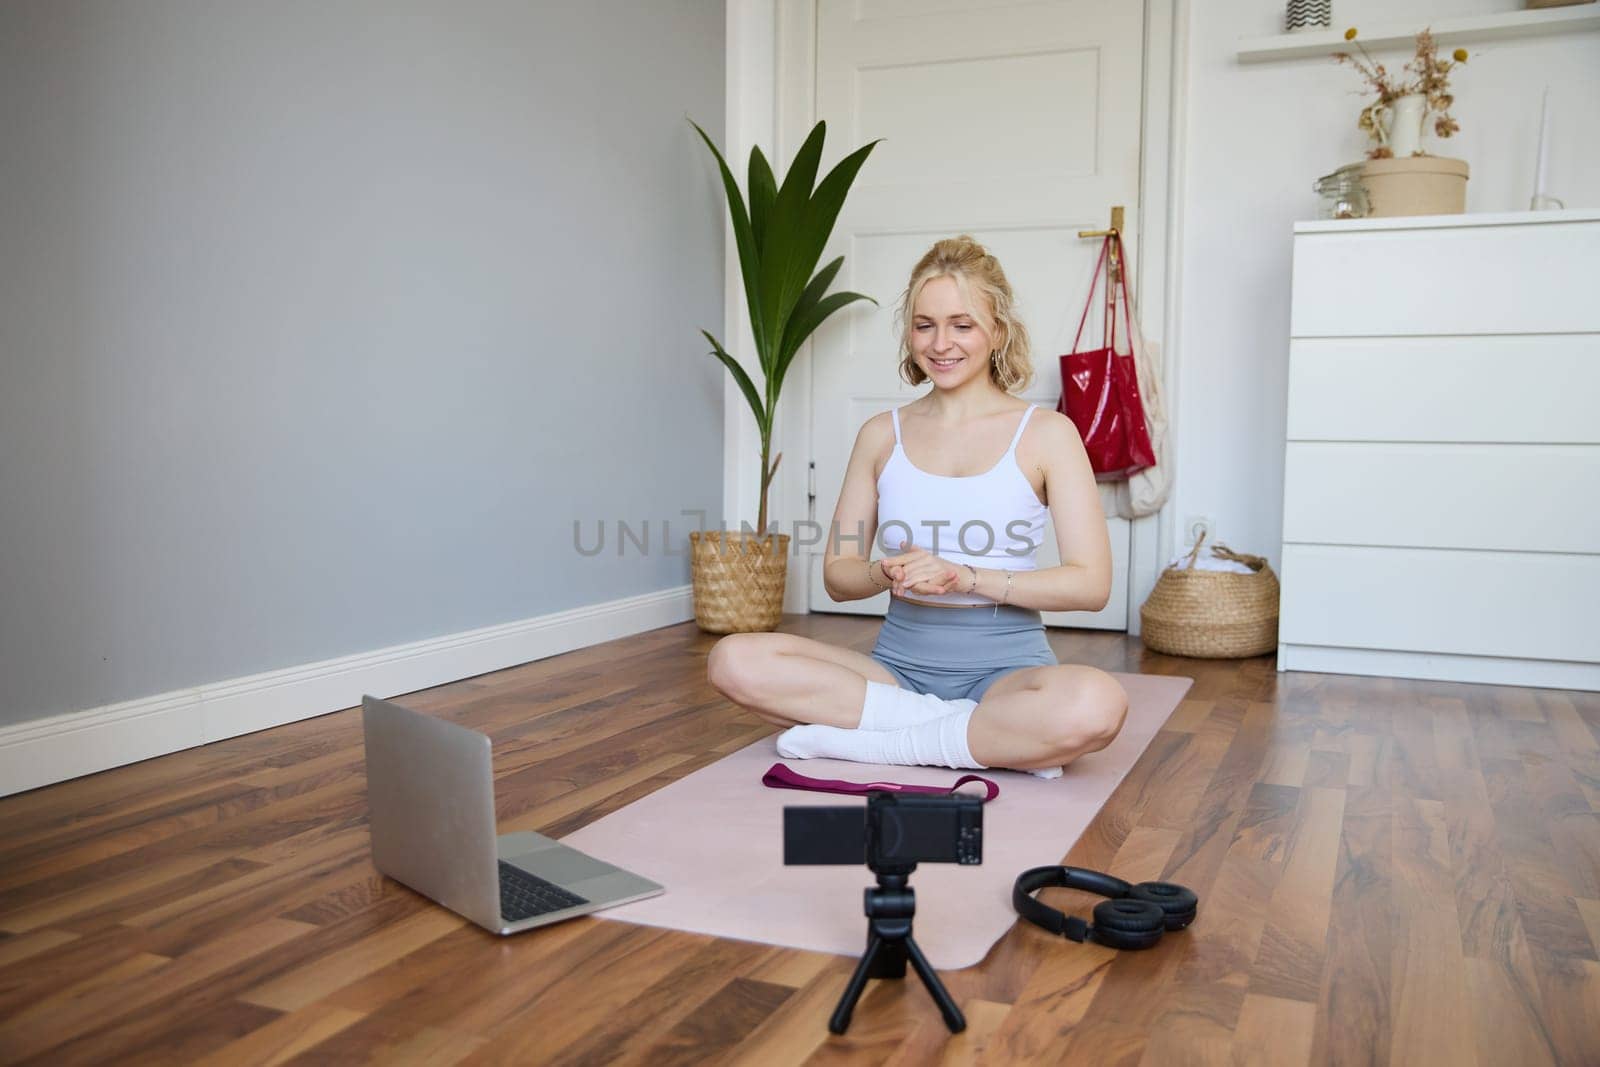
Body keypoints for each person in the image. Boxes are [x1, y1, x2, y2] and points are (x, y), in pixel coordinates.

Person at [706, 235, 1128, 776]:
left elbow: (1091, 585)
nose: (940, 343)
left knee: (1097, 703)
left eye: (962, 324)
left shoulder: (1047, 434)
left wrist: (967, 576)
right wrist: (884, 571)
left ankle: (887, 743)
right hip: (895, 673)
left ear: (998, 330)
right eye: (924, 324)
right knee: (733, 660)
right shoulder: (881, 435)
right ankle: (965, 736)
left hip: (1006, 675)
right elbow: (837, 576)